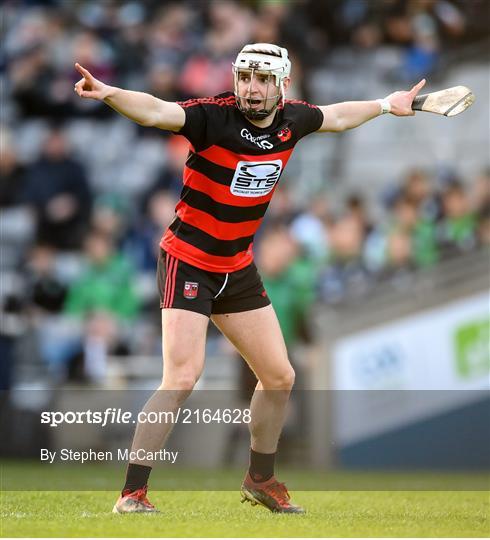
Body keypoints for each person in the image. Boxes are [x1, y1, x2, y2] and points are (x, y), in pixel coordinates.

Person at [74, 42, 425, 514]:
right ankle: (132, 494)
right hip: (189, 259)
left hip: (236, 266)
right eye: (244, 77)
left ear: (281, 85)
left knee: (279, 376)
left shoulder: (292, 120)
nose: (251, 88)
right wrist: (111, 91)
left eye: (262, 80)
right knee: (182, 375)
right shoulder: (211, 118)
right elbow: (157, 112)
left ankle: (261, 479)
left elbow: (337, 115)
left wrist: (386, 104)